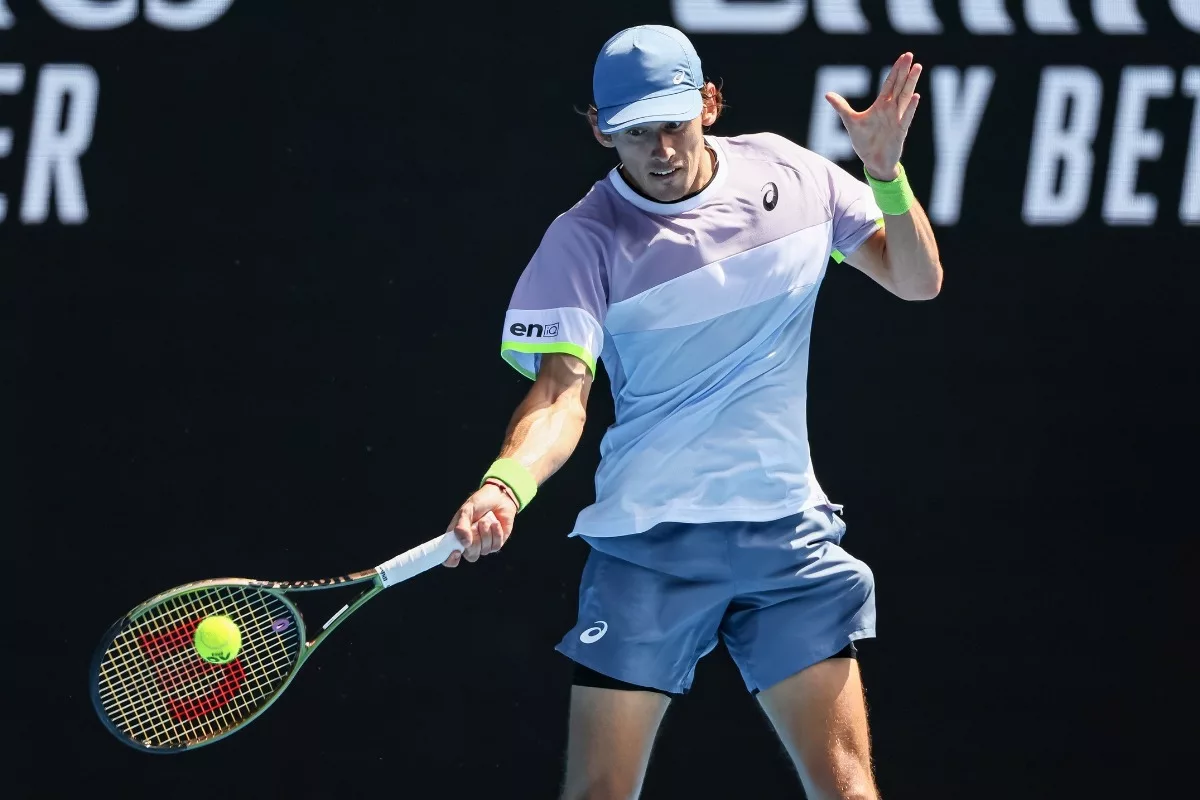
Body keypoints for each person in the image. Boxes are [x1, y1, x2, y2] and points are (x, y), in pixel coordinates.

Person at [441, 24, 942, 800]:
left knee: (847, 788)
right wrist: (505, 483)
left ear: (708, 103)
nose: (661, 151)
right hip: (649, 545)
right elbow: (559, 393)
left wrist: (885, 175)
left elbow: (916, 281)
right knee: (600, 793)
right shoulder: (583, 240)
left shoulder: (793, 175)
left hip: (785, 535)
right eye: (636, 134)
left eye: (673, 124)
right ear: (602, 131)